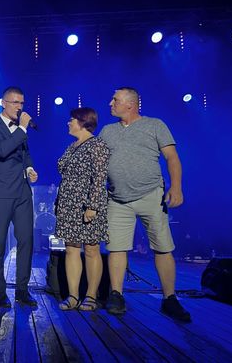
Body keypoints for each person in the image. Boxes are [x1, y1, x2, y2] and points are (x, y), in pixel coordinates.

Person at [99, 87, 191, 322]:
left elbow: (172, 157)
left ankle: (169, 298)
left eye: (115, 100)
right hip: (117, 199)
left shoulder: (155, 125)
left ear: (130, 104)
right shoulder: (107, 131)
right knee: (116, 247)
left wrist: (176, 187)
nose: (110, 103)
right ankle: (116, 295)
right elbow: (97, 163)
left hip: (151, 195)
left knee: (163, 246)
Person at [0, 86, 38, 307]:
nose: (19, 107)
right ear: (3, 103)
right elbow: (2, 150)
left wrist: (29, 169)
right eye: (15, 102)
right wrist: (22, 128)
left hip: (22, 191)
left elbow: (25, 154)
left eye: (22, 103)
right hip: (1, 192)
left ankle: (22, 290)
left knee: (26, 240)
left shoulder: (19, 129)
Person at [55, 108, 110, 311]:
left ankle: (91, 296)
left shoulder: (97, 145)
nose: (68, 123)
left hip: (87, 204)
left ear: (83, 122)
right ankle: (73, 296)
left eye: (72, 120)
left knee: (91, 249)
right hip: (68, 204)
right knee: (71, 249)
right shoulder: (72, 146)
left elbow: (99, 177)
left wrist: (93, 206)